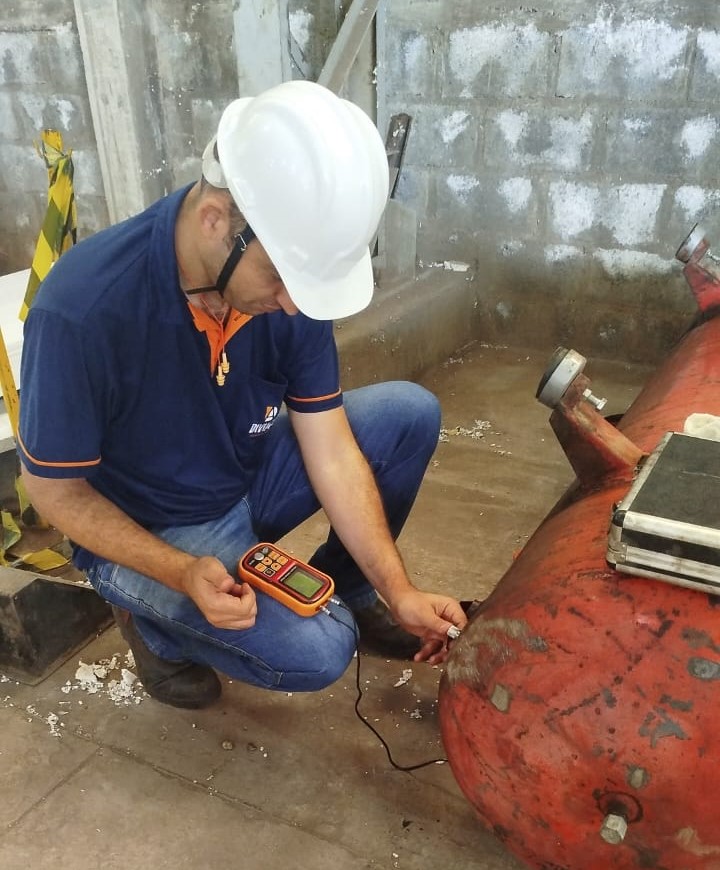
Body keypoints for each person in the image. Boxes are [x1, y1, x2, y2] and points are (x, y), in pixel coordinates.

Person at [18, 80, 467, 710]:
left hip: (242, 476)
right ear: (215, 221)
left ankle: (357, 594)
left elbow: (331, 447)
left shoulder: (285, 280)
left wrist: (398, 589)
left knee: (407, 415)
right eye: (281, 278)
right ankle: (155, 629)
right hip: (155, 527)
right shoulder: (84, 309)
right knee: (320, 650)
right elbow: (54, 490)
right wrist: (178, 572)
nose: (292, 304)